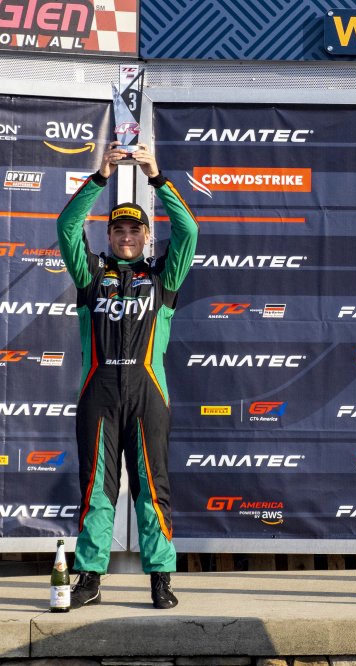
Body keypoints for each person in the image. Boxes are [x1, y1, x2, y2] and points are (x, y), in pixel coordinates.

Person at [56, 142, 199, 609]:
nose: (126, 236)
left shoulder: (163, 277)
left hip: (147, 393)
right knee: (96, 491)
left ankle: (160, 577)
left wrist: (157, 176)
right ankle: (89, 577)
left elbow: (189, 230)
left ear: (146, 235)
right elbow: (66, 226)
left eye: (134, 229)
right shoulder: (90, 274)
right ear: (110, 233)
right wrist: (99, 177)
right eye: (118, 229)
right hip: (98, 393)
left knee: (152, 489)